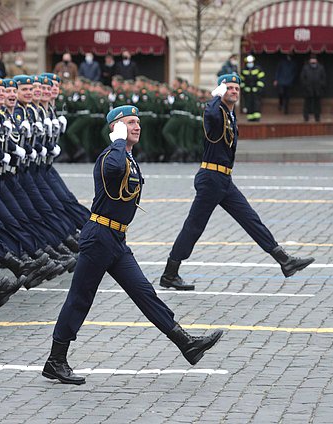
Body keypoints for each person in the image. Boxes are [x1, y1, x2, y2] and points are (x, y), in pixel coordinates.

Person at [42, 105, 224, 385]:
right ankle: (56, 360)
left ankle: (186, 342)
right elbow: (114, 169)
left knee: (144, 293)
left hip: (115, 239)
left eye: (138, 122)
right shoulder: (110, 156)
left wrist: (121, 142)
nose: (137, 127)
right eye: (130, 123)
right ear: (116, 128)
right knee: (80, 298)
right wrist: (117, 139)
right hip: (99, 235)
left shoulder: (127, 156)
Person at [159, 74, 315, 291]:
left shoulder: (231, 115)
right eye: (229, 88)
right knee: (194, 227)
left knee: (251, 219)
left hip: (223, 179)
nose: (234, 91)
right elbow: (210, 114)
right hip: (211, 178)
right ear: (222, 91)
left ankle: (284, 261)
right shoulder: (216, 111)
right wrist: (216, 96)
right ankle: (170, 273)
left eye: (236, 88)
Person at [300, 55, 326, 122]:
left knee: (317, 105)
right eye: (312, 60)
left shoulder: (321, 68)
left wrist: (321, 85)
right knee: (307, 104)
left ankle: (317, 118)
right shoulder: (305, 68)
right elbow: (302, 78)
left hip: (317, 89)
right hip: (308, 89)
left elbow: (323, 78)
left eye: (314, 60)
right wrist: (306, 86)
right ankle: (306, 118)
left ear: (316, 61)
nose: (313, 61)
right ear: (309, 61)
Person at [240, 55, 265, 121]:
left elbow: (261, 79)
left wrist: (258, 88)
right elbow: (242, 81)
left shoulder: (258, 69)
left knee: (256, 103)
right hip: (247, 91)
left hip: (256, 91)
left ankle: (257, 117)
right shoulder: (244, 70)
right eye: (248, 62)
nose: (249, 63)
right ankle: (250, 117)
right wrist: (243, 89)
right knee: (248, 104)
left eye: (250, 62)